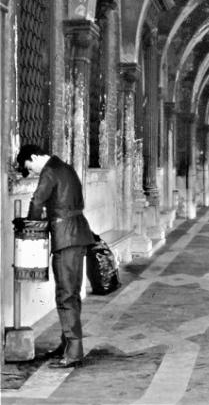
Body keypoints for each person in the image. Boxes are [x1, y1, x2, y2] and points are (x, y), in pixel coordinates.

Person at [15, 144, 95, 368]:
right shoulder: (66, 167)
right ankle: (67, 343)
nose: (33, 173)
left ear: (33, 157)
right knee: (72, 293)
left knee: (65, 295)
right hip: (78, 235)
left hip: (65, 238)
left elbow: (37, 201)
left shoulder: (50, 170)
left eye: (30, 168)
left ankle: (74, 351)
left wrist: (31, 227)